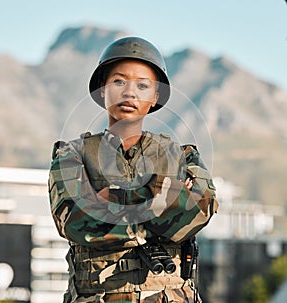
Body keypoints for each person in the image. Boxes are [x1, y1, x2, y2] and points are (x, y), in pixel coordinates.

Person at [48, 36, 218, 303]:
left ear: (155, 96)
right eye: (119, 81)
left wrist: (112, 199)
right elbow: (76, 223)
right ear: (103, 89)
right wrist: (165, 197)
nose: (129, 93)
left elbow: (200, 214)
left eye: (142, 85)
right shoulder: (72, 155)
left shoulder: (183, 156)